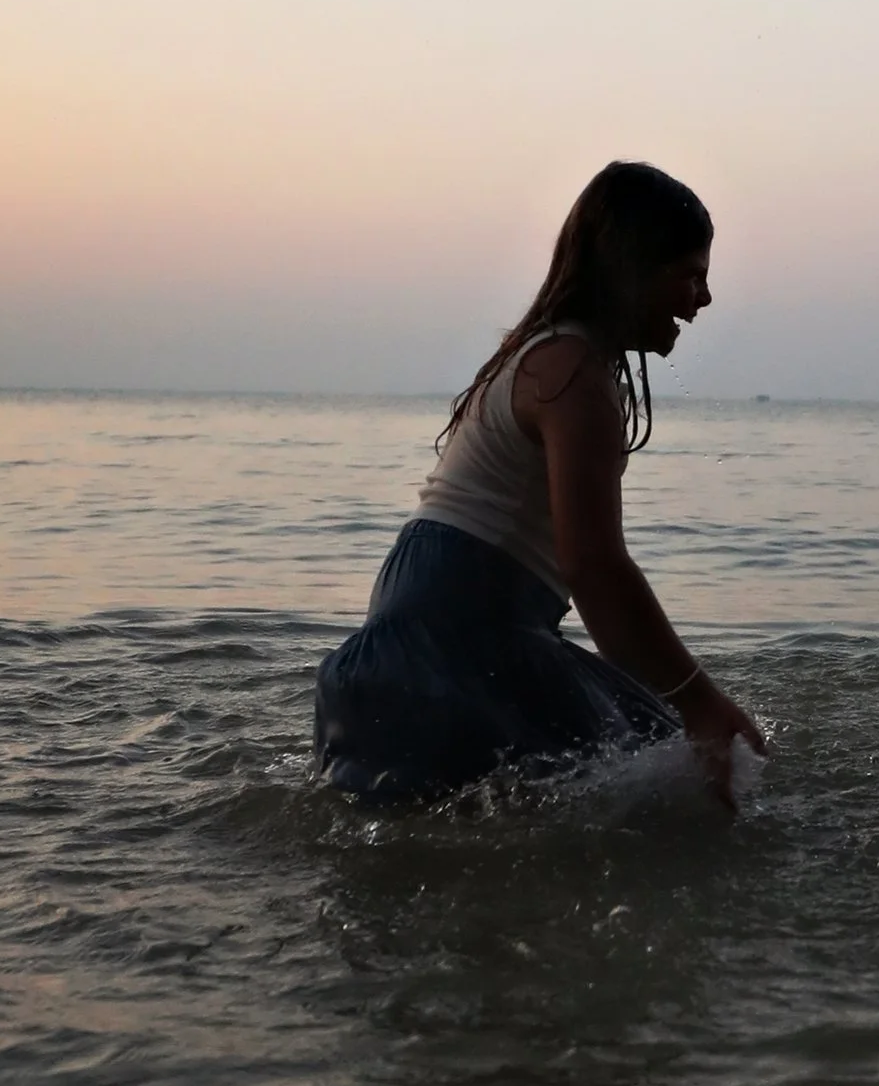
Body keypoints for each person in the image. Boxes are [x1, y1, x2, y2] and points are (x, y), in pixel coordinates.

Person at [314, 161, 766, 805]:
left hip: (415, 632)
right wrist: (698, 699)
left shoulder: (550, 356)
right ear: (633, 269)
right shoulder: (571, 373)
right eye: (691, 275)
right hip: (459, 641)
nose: (704, 298)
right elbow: (594, 568)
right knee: (691, 786)